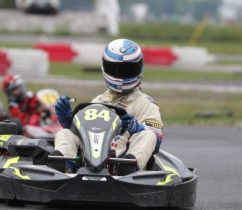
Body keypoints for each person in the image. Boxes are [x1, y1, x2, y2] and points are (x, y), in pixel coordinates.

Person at [52, 39, 163, 175]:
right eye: (114, 69)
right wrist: (68, 121)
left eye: (127, 70)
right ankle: (66, 167)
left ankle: (127, 169)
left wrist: (135, 127)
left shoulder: (146, 104)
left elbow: (156, 141)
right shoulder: (98, 100)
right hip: (91, 154)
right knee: (64, 133)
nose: (120, 75)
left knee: (147, 135)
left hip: (121, 156)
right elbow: (82, 133)